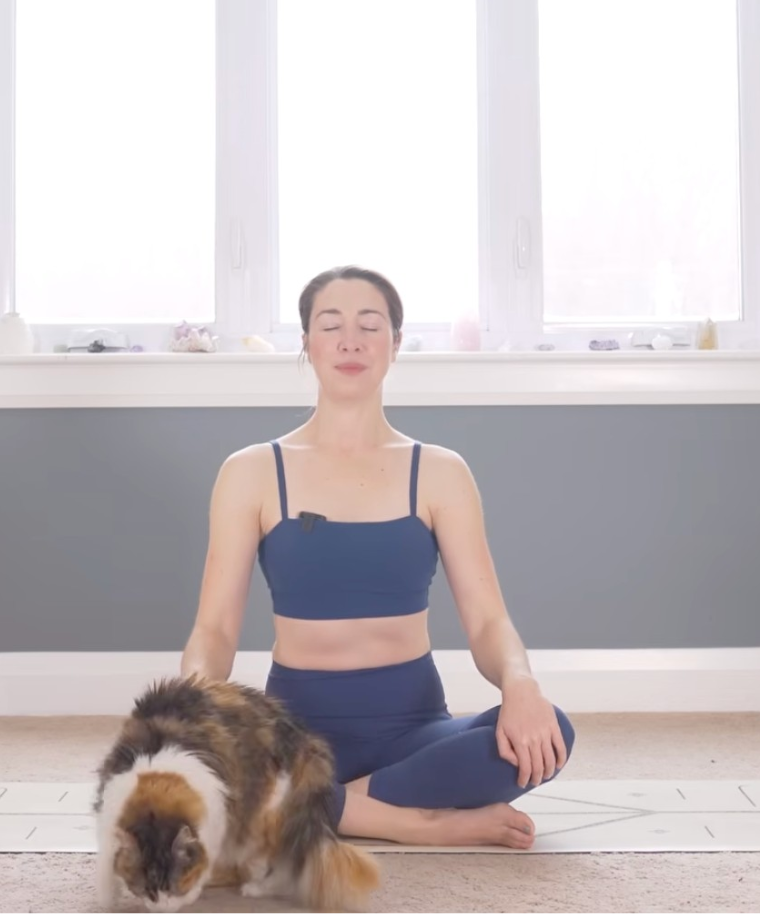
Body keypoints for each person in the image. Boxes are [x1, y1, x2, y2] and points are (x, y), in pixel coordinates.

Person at [180, 265, 574, 850]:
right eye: (330, 324)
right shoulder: (251, 472)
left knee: (549, 733)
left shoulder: (440, 472)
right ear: (306, 344)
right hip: (294, 736)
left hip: (413, 731)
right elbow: (213, 630)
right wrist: (187, 710)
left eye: (370, 325)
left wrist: (521, 684)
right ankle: (413, 821)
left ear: (395, 344)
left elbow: (489, 621)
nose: (350, 340)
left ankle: (312, 811)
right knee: (209, 762)